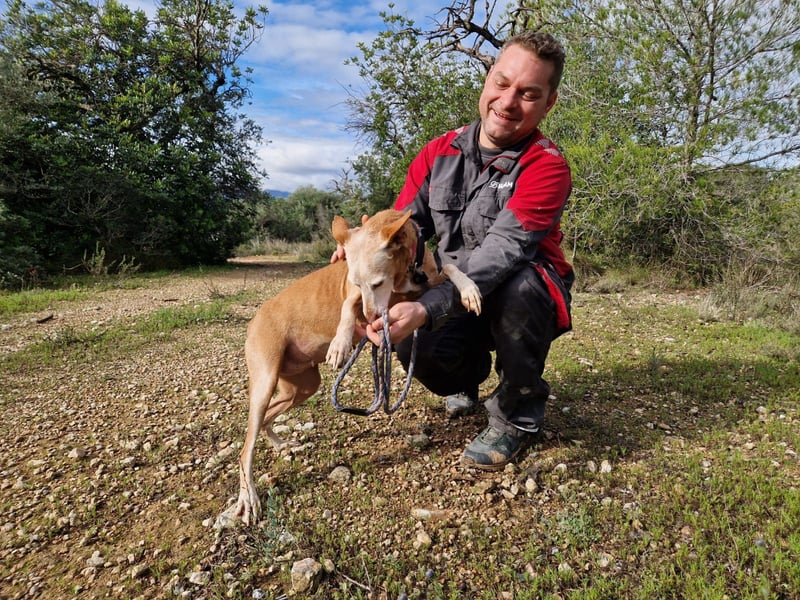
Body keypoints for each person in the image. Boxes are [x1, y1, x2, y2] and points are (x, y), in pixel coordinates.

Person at [339, 31, 574, 471]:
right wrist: (362, 245)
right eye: (502, 84)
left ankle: (517, 415)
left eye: (529, 94)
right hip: (453, 289)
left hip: (520, 294)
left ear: (549, 103)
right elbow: (405, 228)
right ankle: (467, 379)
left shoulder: (547, 165)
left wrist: (427, 309)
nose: (508, 102)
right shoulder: (436, 152)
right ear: (487, 79)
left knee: (521, 282)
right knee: (415, 351)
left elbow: (503, 252)